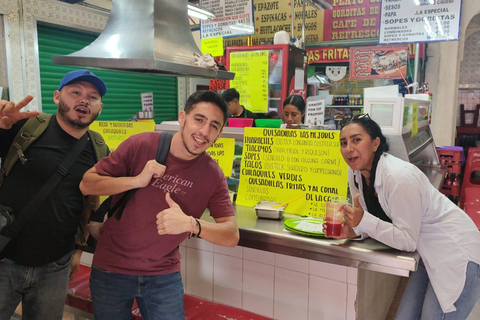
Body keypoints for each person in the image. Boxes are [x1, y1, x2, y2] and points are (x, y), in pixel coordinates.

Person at [79, 90, 240, 320]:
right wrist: (136, 180)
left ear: (220, 132)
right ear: (182, 118)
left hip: (163, 276)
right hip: (111, 269)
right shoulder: (141, 145)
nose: (204, 132)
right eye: (199, 120)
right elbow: (87, 184)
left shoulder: (213, 175)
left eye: (214, 125)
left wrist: (192, 224)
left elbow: (231, 235)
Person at [330, 114, 480, 319]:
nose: (349, 148)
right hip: (427, 252)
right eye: (343, 143)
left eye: (356, 140)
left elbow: (407, 240)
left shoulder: (398, 177)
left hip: (457, 252)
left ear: (375, 143)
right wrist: (354, 232)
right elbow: (374, 221)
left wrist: (362, 221)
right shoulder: (355, 174)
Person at [0, 69, 107, 320]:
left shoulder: (98, 148)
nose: (84, 100)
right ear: (57, 96)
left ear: (100, 107)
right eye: (76, 92)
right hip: (4, 259)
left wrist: (78, 250)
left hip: (55, 266)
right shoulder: (24, 127)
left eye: (93, 97)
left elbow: (91, 205)